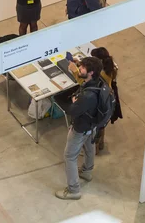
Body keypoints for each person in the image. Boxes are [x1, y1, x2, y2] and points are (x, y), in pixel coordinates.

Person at [56, 57, 104, 200]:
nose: (79, 69)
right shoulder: (98, 83)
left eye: (82, 68)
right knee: (89, 147)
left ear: (91, 72)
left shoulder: (88, 96)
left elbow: (72, 111)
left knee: (69, 156)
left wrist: (72, 102)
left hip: (80, 127)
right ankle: (87, 172)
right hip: (92, 125)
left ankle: (74, 190)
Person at [69, 47, 121, 153]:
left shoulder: (101, 75)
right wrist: (81, 64)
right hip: (107, 97)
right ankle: (99, 143)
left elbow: (84, 82)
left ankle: (96, 147)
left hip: (99, 101)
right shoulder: (110, 67)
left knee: (98, 124)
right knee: (101, 125)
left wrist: (75, 71)